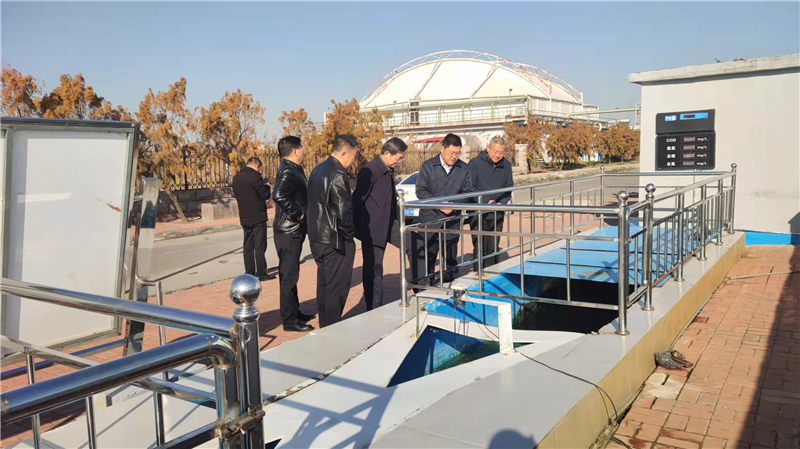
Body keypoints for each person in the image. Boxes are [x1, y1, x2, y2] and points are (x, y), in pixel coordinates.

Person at [307, 134, 359, 327]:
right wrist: (349, 236)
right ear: (344, 153)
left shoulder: (318, 169)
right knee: (337, 287)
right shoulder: (337, 174)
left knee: (324, 285)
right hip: (335, 239)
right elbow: (343, 211)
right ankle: (332, 327)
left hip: (317, 236)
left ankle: (325, 324)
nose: (353, 161)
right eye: (353, 156)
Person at [411, 133, 474, 288]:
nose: (454, 157)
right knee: (428, 258)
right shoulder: (428, 166)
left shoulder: (463, 168)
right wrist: (439, 204)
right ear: (442, 149)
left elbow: (468, 193)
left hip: (452, 221)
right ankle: (427, 286)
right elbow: (421, 191)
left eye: (457, 153)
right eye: (451, 153)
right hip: (430, 220)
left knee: (450, 259)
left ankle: (450, 286)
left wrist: (453, 204)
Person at [354, 137, 407, 310]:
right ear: (387, 153)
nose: (400, 161)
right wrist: (359, 228)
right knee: (374, 270)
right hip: (373, 229)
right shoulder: (370, 170)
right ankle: (374, 307)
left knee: (413, 243)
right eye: (398, 158)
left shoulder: (388, 169)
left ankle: (419, 286)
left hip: (390, 223)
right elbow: (358, 200)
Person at [272, 136, 315, 332]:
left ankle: (295, 312)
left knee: (292, 274)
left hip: (293, 230)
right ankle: (289, 321)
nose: (304, 150)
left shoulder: (293, 168)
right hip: (288, 231)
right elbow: (279, 195)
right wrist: (299, 214)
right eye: (302, 147)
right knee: (288, 276)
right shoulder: (288, 170)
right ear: (295, 150)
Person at [468, 136, 514, 270]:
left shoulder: (506, 165)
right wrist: (485, 201)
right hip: (478, 211)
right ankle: (479, 275)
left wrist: (501, 203)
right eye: (495, 151)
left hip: (496, 211)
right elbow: (470, 187)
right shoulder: (475, 163)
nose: (497, 155)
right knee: (480, 246)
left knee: (493, 247)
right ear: (488, 148)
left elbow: (508, 187)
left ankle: (493, 274)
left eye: (501, 152)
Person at [232, 157, 272, 280]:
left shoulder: (236, 178)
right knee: (259, 245)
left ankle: (249, 271)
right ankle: (261, 272)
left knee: (248, 245)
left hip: (244, 216)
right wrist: (267, 186)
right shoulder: (255, 177)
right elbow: (264, 194)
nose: (259, 170)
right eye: (259, 168)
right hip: (257, 216)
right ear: (255, 165)